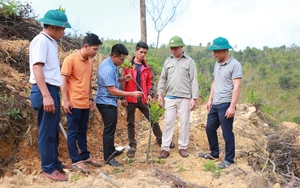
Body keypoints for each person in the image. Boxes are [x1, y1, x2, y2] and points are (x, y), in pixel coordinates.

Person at [29, 9, 71, 181]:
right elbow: (37, 68)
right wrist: (46, 95)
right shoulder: (41, 41)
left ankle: (54, 163)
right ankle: (47, 168)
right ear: (53, 27)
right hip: (44, 89)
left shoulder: (51, 41)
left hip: (51, 89)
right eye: (62, 28)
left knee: (53, 130)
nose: (64, 32)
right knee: (47, 131)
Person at [120, 42, 175, 158]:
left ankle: (161, 141)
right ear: (136, 51)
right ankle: (132, 146)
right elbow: (121, 82)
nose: (143, 55)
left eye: (145, 53)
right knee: (130, 122)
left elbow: (150, 82)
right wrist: (123, 97)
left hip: (144, 98)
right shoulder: (127, 66)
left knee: (153, 119)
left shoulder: (146, 67)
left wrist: (150, 93)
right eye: (141, 52)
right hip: (130, 98)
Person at [198, 37, 242, 169]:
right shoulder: (217, 64)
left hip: (226, 104)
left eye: (216, 51)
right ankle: (214, 154)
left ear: (224, 50)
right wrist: (210, 99)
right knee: (210, 128)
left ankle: (229, 160)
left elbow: (237, 86)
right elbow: (215, 82)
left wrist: (232, 106)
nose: (214, 54)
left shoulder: (235, 65)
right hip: (215, 103)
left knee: (227, 133)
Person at [60, 33, 102, 173]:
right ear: (86, 46)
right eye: (95, 49)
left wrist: (90, 99)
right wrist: (65, 100)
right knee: (73, 132)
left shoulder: (89, 63)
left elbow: (88, 83)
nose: (96, 52)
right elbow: (63, 81)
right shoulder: (70, 60)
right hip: (73, 103)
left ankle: (85, 156)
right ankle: (75, 160)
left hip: (84, 103)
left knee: (83, 131)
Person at [95, 43, 142, 166]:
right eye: (121, 59)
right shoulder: (108, 68)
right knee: (109, 130)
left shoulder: (113, 65)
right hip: (106, 102)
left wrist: (122, 79)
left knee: (111, 128)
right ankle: (108, 157)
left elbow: (112, 82)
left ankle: (111, 151)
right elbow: (112, 90)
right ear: (114, 56)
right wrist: (131, 94)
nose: (123, 62)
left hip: (110, 102)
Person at [157, 36, 199, 159]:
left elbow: (194, 80)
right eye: (171, 48)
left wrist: (194, 98)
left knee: (184, 122)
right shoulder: (167, 62)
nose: (173, 51)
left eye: (175, 48)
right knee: (168, 122)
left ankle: (183, 147)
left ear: (181, 47)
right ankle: (165, 148)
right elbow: (162, 78)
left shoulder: (189, 62)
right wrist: (159, 94)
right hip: (170, 97)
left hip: (185, 97)